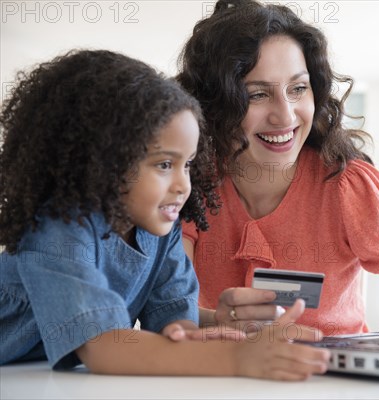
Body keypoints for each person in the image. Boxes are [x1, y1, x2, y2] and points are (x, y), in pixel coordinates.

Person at [0, 49, 330, 380]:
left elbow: (174, 324)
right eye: (163, 164)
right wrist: (236, 357)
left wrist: (210, 332)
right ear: (99, 162)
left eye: (187, 164)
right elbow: (103, 345)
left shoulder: (161, 231)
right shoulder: (58, 228)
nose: (182, 185)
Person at [178, 0, 379, 335]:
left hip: (337, 382)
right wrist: (218, 320)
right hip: (229, 377)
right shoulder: (187, 183)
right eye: (257, 95)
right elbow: (169, 314)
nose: (285, 116)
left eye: (298, 88)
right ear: (215, 104)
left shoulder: (349, 186)